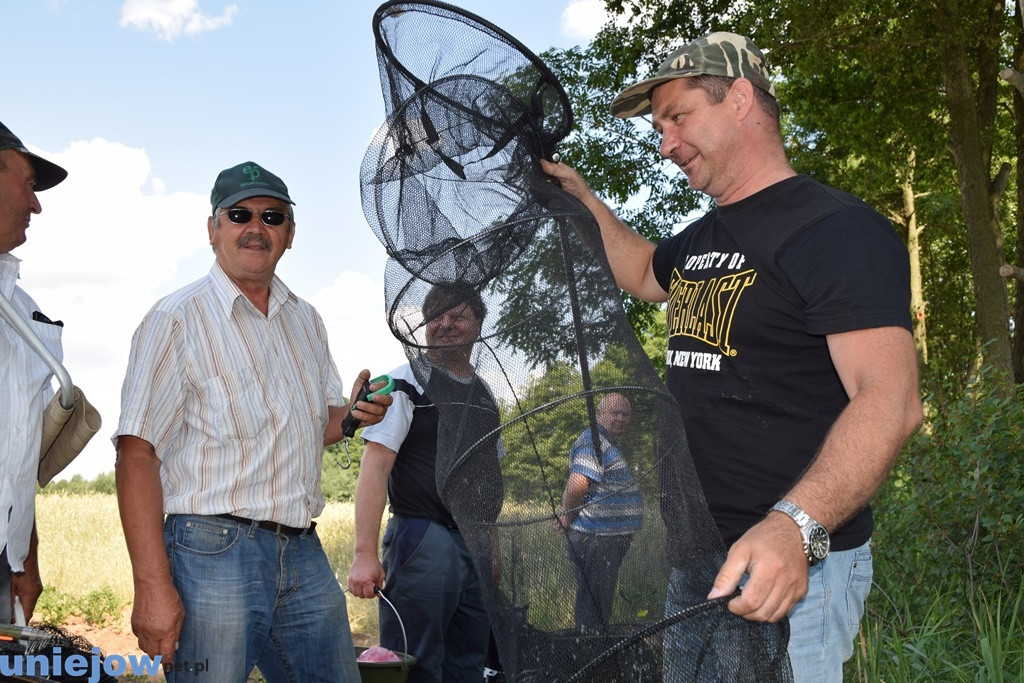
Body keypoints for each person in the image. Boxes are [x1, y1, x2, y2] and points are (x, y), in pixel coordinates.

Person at [541, 32, 922, 681]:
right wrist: (582, 199)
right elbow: (638, 270)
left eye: (677, 117)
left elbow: (892, 400)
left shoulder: (835, 230)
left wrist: (793, 527)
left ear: (740, 98)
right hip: (698, 559)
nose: (665, 145)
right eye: (659, 127)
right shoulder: (701, 237)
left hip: (791, 565)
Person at [113, 161, 392, 683]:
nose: (255, 227)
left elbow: (318, 426)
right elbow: (136, 454)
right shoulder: (175, 319)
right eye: (239, 214)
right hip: (209, 551)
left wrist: (351, 417)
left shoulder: (306, 320)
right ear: (213, 229)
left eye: (272, 216)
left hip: (302, 549)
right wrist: (151, 586)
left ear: (290, 234)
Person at [348, 283, 502, 683]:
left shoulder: (486, 397)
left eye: (458, 315)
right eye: (436, 315)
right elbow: (375, 468)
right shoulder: (403, 383)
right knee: (414, 663)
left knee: (469, 662)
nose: (445, 324)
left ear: (479, 324)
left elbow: (489, 480)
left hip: (476, 544)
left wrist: (492, 549)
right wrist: (364, 553)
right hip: (422, 537)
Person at [0, 120, 68, 625]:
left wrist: (24, 557)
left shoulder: (23, 311)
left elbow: (16, 457)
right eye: (28, 183)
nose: (37, 204)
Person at [554, 393, 642, 631]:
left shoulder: (608, 443)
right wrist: (568, 514)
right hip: (596, 539)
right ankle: (589, 650)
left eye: (625, 414)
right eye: (615, 413)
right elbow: (578, 484)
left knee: (598, 602)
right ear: (599, 415)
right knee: (593, 605)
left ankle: (592, 643)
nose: (621, 418)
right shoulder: (592, 441)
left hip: (605, 540)